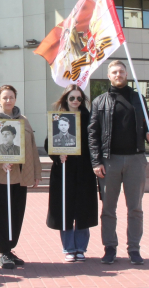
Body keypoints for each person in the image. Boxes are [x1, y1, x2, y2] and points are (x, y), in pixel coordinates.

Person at [88, 60, 149, 266]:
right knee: (109, 209)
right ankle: (109, 248)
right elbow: (93, 134)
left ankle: (134, 249)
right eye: (114, 72)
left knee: (135, 208)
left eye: (121, 71)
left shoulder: (138, 99)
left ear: (126, 74)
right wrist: (96, 161)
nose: (118, 74)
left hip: (136, 160)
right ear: (108, 76)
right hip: (110, 161)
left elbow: (148, 123)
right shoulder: (99, 101)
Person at [0, 85, 42, 269]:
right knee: (1, 214)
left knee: (16, 214)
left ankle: (10, 248)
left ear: (15, 99)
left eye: (11, 97)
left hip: (20, 177)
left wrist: (36, 173)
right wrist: (0, 162)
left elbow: (32, 146)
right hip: (0, 177)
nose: (8, 100)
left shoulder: (23, 120)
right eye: (5, 97)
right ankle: (3, 251)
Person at [44, 85, 98, 262]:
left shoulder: (90, 118)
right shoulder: (59, 118)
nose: (75, 101)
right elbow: (49, 143)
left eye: (79, 98)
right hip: (64, 170)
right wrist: (57, 155)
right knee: (65, 209)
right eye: (72, 98)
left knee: (83, 209)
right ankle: (68, 247)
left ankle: (81, 247)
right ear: (66, 100)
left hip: (84, 171)